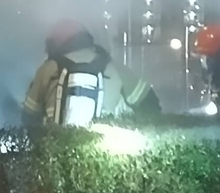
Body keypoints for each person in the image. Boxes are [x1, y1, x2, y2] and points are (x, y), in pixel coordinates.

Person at [22, 20, 160, 127]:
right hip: (103, 156)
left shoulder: (47, 69)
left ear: (55, 43)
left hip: (55, 153)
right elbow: (150, 103)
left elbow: (28, 117)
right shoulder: (113, 67)